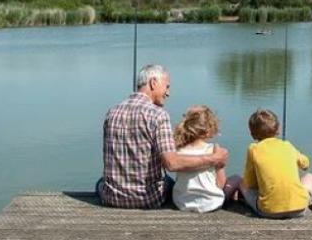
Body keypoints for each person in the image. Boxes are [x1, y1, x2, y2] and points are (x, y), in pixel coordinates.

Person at [98, 64, 229, 209]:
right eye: (167, 87)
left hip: (111, 198)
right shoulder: (158, 115)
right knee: (172, 183)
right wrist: (214, 159)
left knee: (100, 182)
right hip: (148, 199)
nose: (168, 93)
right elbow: (171, 164)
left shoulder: (111, 112)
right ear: (153, 83)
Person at [239, 108, 312, 219]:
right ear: (278, 129)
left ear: (252, 134)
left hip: (268, 211)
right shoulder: (287, 145)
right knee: (310, 177)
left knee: (241, 183)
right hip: (299, 209)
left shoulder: (253, 149)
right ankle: (303, 198)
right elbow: (305, 165)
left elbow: (249, 183)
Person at [171, 105, 242, 213]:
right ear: (208, 130)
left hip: (182, 203)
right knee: (236, 178)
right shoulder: (214, 150)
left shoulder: (178, 151)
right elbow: (221, 184)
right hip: (211, 204)